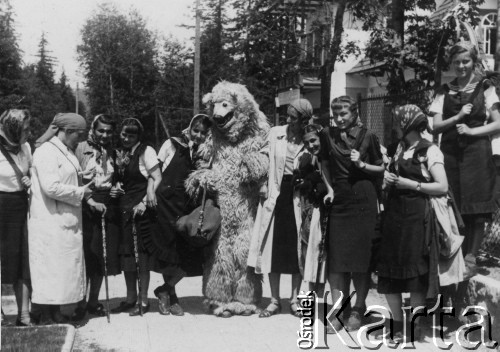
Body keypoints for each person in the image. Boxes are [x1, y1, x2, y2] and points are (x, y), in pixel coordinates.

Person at [377, 105, 448, 342]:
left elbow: (442, 186)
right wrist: (388, 180)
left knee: (415, 274)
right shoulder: (399, 149)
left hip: (418, 218)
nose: (395, 127)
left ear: (407, 124)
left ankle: (414, 327)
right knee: (390, 271)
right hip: (395, 216)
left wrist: (411, 184)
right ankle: (397, 323)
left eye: (397, 122)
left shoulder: (430, 150)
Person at [430, 42, 500, 267]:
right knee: (453, 203)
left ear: (473, 62)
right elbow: (436, 126)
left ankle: (471, 256)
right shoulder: (444, 90)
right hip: (449, 153)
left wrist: (471, 131)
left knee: (476, 205)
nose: (461, 66)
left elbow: (498, 124)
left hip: (477, 153)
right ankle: (455, 254)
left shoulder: (486, 87)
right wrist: (458, 118)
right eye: (457, 62)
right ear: (451, 63)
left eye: (465, 61)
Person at [319, 96, 385, 332]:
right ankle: (338, 311)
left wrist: (362, 165)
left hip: (364, 202)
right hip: (340, 202)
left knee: (360, 260)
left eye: (343, 114)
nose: (339, 119)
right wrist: (329, 188)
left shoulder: (369, 136)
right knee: (337, 261)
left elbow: (381, 168)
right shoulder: (327, 135)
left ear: (355, 113)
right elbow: (323, 163)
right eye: (335, 114)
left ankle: (358, 309)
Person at [249, 98, 314, 318]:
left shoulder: (311, 137)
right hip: (277, 195)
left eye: (293, 117)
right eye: (287, 115)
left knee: (297, 251)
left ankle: (295, 300)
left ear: (303, 120)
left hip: (300, 197)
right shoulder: (276, 133)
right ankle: (275, 300)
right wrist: (262, 183)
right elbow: (261, 158)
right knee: (273, 249)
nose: (288, 120)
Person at [145, 114, 211, 316]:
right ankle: (171, 297)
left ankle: (164, 289)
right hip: (166, 203)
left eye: (203, 132)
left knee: (189, 252)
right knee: (168, 252)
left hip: (188, 208)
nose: (198, 135)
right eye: (196, 130)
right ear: (189, 128)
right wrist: (150, 190)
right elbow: (154, 170)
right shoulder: (172, 143)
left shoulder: (206, 152)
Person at [29, 112, 92, 324]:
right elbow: (51, 187)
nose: (81, 139)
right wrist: (81, 192)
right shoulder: (46, 152)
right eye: (78, 134)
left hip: (65, 218)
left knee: (61, 268)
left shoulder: (65, 150)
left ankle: (58, 310)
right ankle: (45, 312)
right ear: (66, 131)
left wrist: (87, 179)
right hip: (51, 219)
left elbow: (69, 176)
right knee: (51, 268)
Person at [72, 114, 121, 321]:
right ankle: (79, 303)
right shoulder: (80, 148)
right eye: (101, 130)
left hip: (107, 204)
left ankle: (93, 301)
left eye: (109, 131)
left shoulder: (114, 151)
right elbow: (73, 177)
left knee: (101, 256)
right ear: (93, 129)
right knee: (86, 254)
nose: (105, 135)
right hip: (85, 202)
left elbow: (117, 177)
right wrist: (89, 198)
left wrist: (117, 188)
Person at [110, 118, 161, 316]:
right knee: (128, 257)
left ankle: (144, 300)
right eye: (124, 134)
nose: (126, 138)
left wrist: (144, 202)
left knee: (141, 258)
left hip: (140, 211)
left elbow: (157, 178)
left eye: (131, 135)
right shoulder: (119, 153)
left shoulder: (146, 151)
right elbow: (117, 178)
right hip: (123, 208)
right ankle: (130, 298)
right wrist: (115, 186)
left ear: (138, 136)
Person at [0, 109, 33, 326]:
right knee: (3, 260)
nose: (29, 133)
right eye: (25, 129)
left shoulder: (25, 147)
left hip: (20, 205)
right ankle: (3, 315)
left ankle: (23, 314)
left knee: (22, 259)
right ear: (12, 129)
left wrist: (29, 177)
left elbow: (28, 170)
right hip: (1, 205)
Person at [299, 124, 328, 294]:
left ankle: (321, 299)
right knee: (310, 253)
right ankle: (313, 298)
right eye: (306, 142)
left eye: (313, 141)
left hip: (326, 211)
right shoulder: (309, 159)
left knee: (322, 258)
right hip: (312, 211)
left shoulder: (328, 158)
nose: (311, 145)